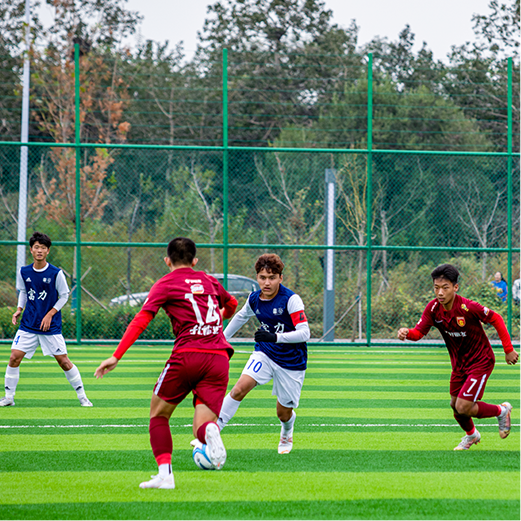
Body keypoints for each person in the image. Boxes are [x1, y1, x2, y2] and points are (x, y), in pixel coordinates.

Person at [94, 237, 238, 489]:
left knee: (158, 415)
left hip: (188, 355)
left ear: (167, 261)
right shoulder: (210, 281)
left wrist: (116, 355)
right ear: (195, 261)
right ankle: (211, 432)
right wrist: (217, 321)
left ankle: (165, 476)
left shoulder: (165, 283)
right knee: (201, 427)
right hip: (218, 358)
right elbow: (232, 303)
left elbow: (142, 319)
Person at [397, 263, 518, 450]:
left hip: (481, 361)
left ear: (455, 287)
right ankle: (472, 435)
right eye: (436, 288)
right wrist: (407, 333)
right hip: (459, 365)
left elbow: (496, 318)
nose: (440, 293)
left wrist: (508, 349)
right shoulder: (433, 309)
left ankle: (502, 410)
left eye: (445, 288)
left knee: (463, 406)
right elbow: (419, 332)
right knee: (455, 405)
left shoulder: (467, 307)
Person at [216, 253, 310, 454]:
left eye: (272, 278)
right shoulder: (254, 299)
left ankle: (287, 430)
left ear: (280, 278)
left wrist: (275, 337)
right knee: (239, 388)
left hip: (291, 362)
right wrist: (221, 340)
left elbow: (305, 333)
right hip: (265, 353)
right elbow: (241, 317)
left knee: (283, 413)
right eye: (262, 277)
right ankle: (213, 431)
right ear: (257, 277)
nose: (267, 283)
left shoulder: (291, 300)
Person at [0, 231, 92, 407]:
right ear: (31, 250)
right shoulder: (24, 271)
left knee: (64, 362)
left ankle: (83, 397)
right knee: (14, 357)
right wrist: (19, 309)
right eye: (36, 247)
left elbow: (64, 296)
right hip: (28, 324)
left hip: (49, 327)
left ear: (48, 251)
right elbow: (24, 292)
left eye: (43, 248)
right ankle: (9, 397)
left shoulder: (56, 273)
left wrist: (50, 314)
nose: (39, 251)